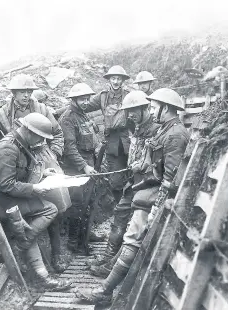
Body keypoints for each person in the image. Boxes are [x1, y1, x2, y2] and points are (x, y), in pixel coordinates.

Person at [76, 88, 190, 305]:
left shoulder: (175, 134)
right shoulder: (167, 130)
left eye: (155, 107)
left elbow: (170, 177)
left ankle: (105, 291)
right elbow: (154, 162)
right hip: (147, 187)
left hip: (153, 195)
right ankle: (107, 287)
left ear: (166, 108)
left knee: (132, 239)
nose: (153, 111)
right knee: (131, 237)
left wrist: (156, 206)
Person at [0, 74, 68, 273]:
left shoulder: (42, 109)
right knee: (42, 204)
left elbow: (57, 133)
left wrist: (54, 153)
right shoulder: (2, 113)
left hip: (42, 157)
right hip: (20, 160)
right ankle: (30, 251)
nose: (26, 95)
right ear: (13, 93)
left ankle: (57, 253)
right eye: (21, 92)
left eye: (29, 91)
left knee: (57, 204)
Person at [0, 113, 71, 290]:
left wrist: (43, 174)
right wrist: (34, 189)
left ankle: (40, 275)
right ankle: (21, 247)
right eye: (40, 137)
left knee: (31, 224)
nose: (41, 141)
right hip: (3, 200)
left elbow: (23, 171)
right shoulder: (8, 149)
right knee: (50, 210)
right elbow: (6, 184)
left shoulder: (21, 143)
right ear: (28, 131)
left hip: (13, 196)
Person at [87, 90, 161, 277]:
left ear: (145, 109)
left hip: (147, 183)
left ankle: (112, 265)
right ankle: (108, 257)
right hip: (134, 182)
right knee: (120, 213)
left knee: (130, 224)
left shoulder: (155, 129)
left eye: (135, 111)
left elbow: (159, 163)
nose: (131, 115)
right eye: (128, 111)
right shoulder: (136, 126)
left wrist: (143, 165)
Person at [58, 83, 105, 254]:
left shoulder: (84, 115)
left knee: (90, 201)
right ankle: (73, 241)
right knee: (77, 204)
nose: (86, 102)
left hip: (89, 163)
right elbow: (69, 148)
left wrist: (97, 149)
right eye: (82, 99)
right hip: (75, 168)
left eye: (87, 99)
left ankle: (86, 234)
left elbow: (93, 137)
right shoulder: (68, 118)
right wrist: (84, 166)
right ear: (74, 100)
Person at [83, 65, 131, 203]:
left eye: (119, 79)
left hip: (129, 141)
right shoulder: (103, 97)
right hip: (112, 145)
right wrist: (57, 112)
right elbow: (84, 105)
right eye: (113, 78)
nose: (116, 82)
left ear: (123, 80)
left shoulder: (128, 95)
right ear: (109, 80)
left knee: (135, 176)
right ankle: (119, 206)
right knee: (115, 181)